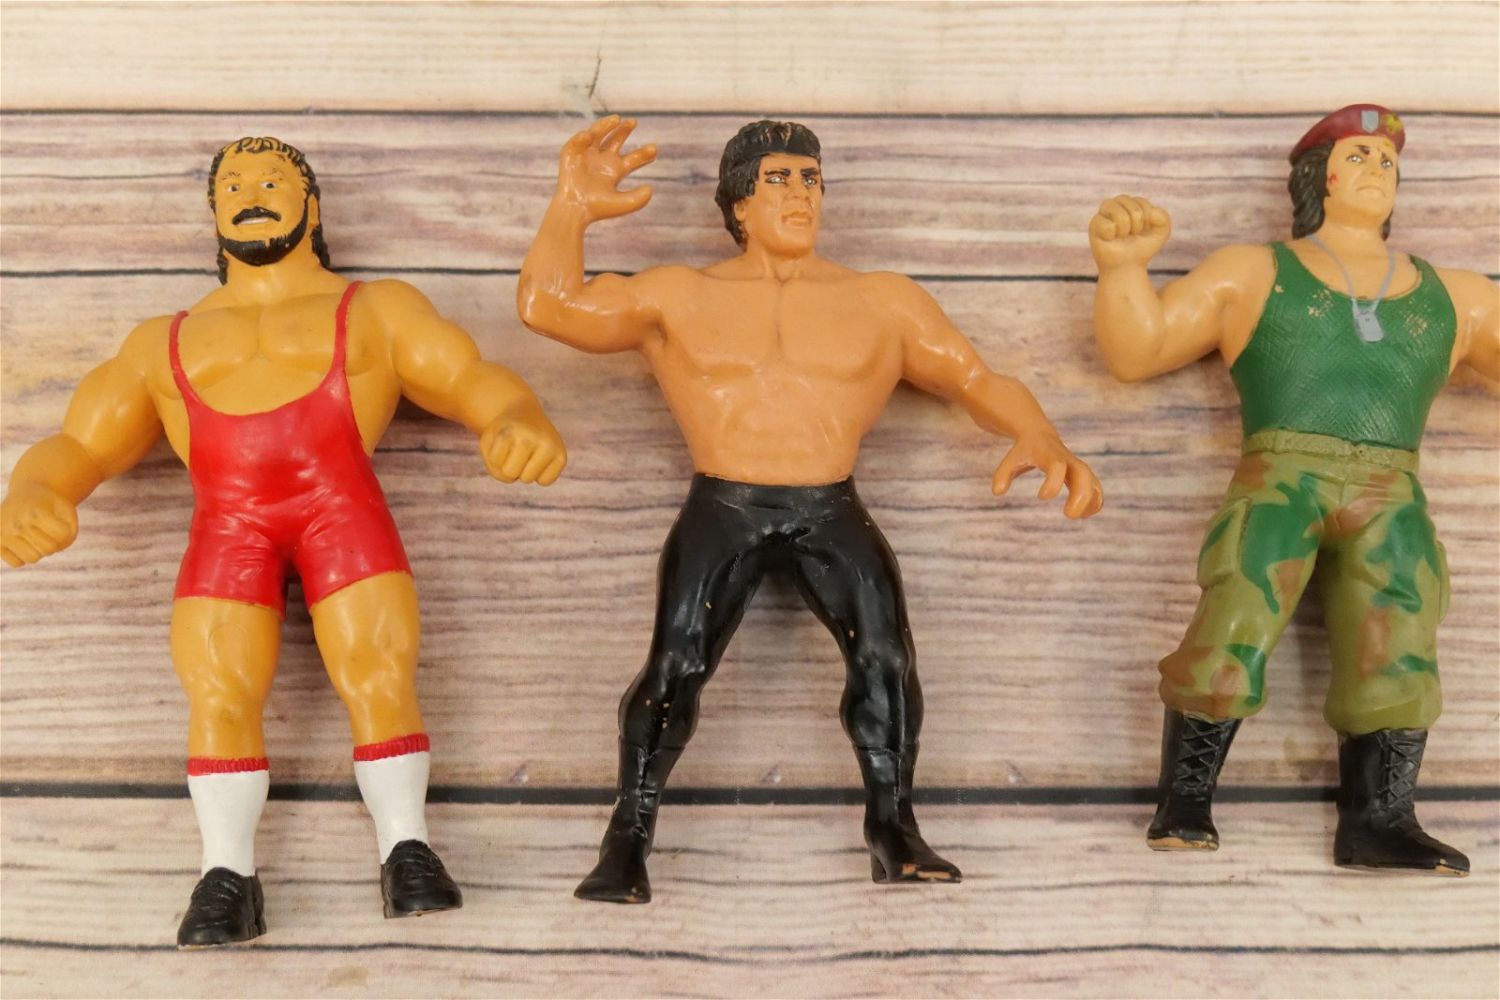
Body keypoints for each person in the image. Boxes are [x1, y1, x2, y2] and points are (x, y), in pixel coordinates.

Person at [0, 137, 568, 944]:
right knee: (218, 684)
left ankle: (407, 848)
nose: (251, 194)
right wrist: (34, 492)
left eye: (272, 179)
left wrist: (514, 417)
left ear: (313, 204)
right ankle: (225, 875)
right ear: (213, 213)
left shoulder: (375, 310)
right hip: (229, 526)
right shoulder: (162, 341)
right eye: (232, 185)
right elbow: (82, 443)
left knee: (376, 665)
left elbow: (465, 375)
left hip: (342, 512)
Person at [519, 117, 1103, 903]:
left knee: (886, 657)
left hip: (829, 505)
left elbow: (974, 378)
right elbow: (548, 307)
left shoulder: (881, 300)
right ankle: (627, 837)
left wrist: (1037, 430)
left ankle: (893, 827)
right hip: (724, 502)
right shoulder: (681, 294)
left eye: (811, 179)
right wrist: (571, 208)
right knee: (675, 663)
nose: (801, 194)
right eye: (779, 180)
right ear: (739, 203)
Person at [1088, 105, 1497, 874]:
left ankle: (1379, 818)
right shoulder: (1253, 272)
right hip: (1281, 477)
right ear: (1319, 177)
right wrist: (1122, 271)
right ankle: (1185, 799)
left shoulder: (1457, 296)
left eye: (1387, 160)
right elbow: (1139, 350)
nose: (1377, 170)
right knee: (1237, 614)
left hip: (1391, 488)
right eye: (1358, 156)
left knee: (1401, 631)